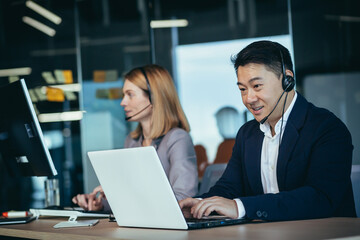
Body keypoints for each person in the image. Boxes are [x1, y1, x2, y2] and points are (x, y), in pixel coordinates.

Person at [179, 40, 356, 221]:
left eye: (257, 86)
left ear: (287, 79)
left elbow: (320, 198)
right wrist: (199, 204)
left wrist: (240, 207)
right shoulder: (247, 134)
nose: (249, 98)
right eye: (242, 89)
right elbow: (228, 188)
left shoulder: (327, 128)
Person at [73, 64, 198, 210]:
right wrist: (100, 203)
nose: (123, 102)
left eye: (130, 94)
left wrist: (124, 193)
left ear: (153, 97)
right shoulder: (132, 142)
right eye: (124, 95)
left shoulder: (177, 138)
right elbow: (130, 199)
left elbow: (184, 198)